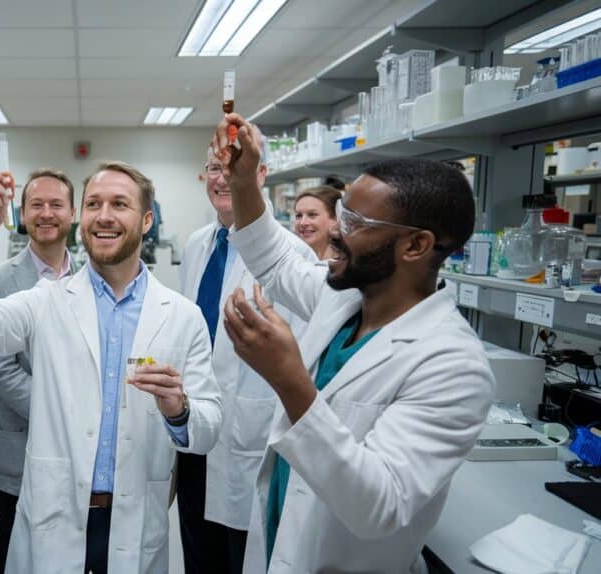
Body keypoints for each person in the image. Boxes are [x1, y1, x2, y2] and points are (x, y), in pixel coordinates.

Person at [212, 115, 494, 573]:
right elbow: (275, 257)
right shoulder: (341, 297)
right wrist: (245, 184)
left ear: (416, 245)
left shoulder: (454, 365)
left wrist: (288, 379)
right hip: (280, 545)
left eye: (357, 221)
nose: (336, 232)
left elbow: (380, 505)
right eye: (341, 213)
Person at [0, 161, 222, 573]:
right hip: (55, 516)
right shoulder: (45, 301)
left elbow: (209, 427)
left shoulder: (182, 316)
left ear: (146, 220)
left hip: (135, 516)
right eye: (94, 203)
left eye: (119, 204)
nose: (104, 215)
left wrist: (178, 409)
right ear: (82, 218)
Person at [177, 154, 314, 574]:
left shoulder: (292, 255)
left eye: (233, 169)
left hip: (251, 440)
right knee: (198, 553)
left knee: (242, 556)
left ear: (260, 174)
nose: (223, 179)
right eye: (214, 169)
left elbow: (303, 357)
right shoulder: (197, 245)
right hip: (196, 429)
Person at [0, 168, 79, 573]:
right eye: (36, 205)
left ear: (72, 213)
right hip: (19, 449)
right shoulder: (0, 279)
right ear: (22, 214)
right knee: (13, 539)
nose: (46, 213)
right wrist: (60, 411)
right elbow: (0, 371)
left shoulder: (91, 278)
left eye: (56, 204)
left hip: (77, 450)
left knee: (68, 543)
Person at [293, 186, 341, 260]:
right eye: (298, 216)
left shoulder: (349, 266)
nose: (302, 223)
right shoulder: (292, 259)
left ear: (335, 219)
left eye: (312, 215)